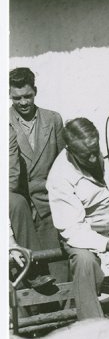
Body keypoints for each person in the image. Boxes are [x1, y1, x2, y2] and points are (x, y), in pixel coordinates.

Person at [46, 118, 109, 320]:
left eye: (94, 150)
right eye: (84, 155)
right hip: (85, 231)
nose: (92, 159)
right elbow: (73, 230)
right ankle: (93, 329)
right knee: (85, 261)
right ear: (70, 150)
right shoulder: (59, 176)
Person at [9, 67, 68, 281]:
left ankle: (68, 314)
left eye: (27, 96)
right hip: (19, 210)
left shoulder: (53, 120)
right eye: (17, 98)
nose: (23, 102)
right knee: (25, 273)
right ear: (9, 94)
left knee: (58, 272)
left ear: (35, 91)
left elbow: (64, 164)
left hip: (49, 206)